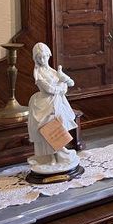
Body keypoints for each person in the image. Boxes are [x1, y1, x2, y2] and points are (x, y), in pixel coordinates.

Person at [27, 42, 79, 172]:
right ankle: (52, 156)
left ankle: (60, 153)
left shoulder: (53, 71)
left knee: (59, 126)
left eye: (45, 56)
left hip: (57, 103)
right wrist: (61, 86)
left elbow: (67, 85)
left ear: (48, 55)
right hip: (45, 103)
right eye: (39, 58)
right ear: (36, 59)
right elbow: (49, 89)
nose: (43, 60)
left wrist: (63, 83)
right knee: (48, 128)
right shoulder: (38, 73)